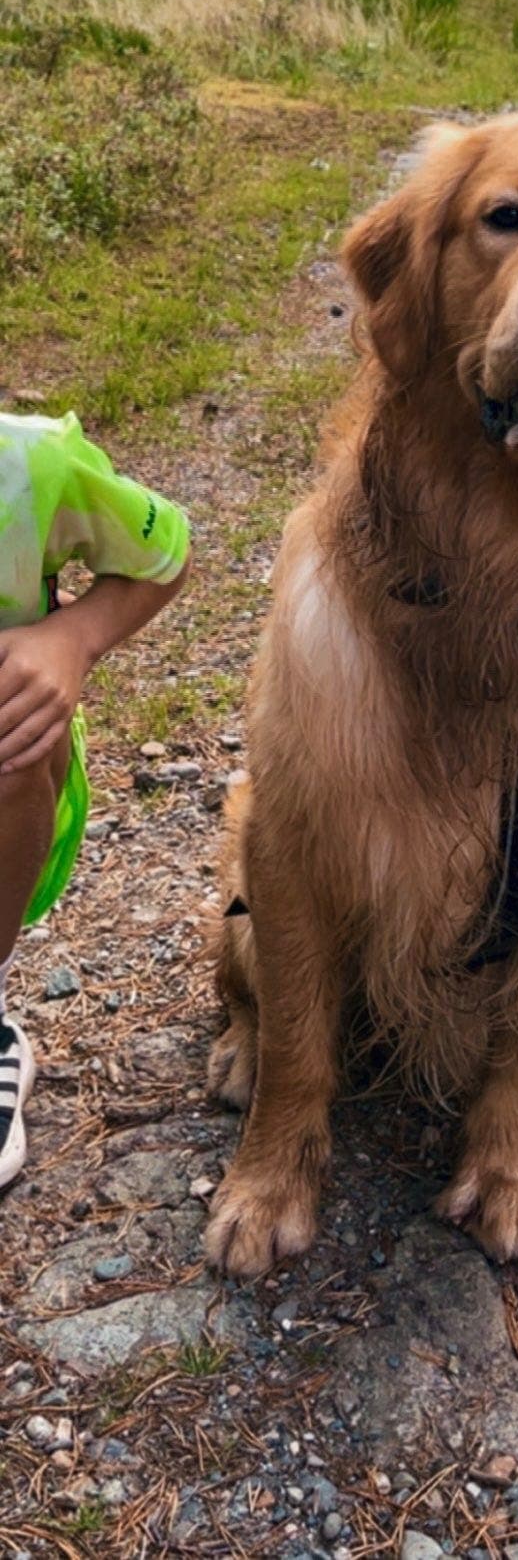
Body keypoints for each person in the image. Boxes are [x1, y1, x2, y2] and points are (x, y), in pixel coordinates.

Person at [0, 410, 190, 1189]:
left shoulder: (26, 462)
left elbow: (167, 548)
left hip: (10, 779)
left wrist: (70, 637)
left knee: (10, 735)